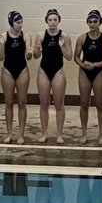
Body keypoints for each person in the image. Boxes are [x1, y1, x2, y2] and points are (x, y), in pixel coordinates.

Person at [74, 10, 102, 145]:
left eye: (95, 22)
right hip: (85, 72)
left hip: (99, 72)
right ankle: (84, 133)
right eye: (90, 22)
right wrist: (83, 65)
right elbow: (76, 57)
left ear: (100, 22)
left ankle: (101, 135)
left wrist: (95, 65)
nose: (92, 25)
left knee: (100, 104)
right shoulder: (82, 38)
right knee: (84, 103)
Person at [33, 9, 72, 144]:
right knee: (44, 104)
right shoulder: (41, 35)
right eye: (50, 20)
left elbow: (69, 57)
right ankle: (44, 133)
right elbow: (36, 56)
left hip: (58, 71)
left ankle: (59, 134)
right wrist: (37, 49)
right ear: (46, 21)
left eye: (55, 20)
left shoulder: (64, 36)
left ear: (59, 20)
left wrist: (62, 47)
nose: (53, 22)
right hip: (44, 70)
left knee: (59, 104)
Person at [0, 11, 34, 144]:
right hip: (7, 71)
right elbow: (1, 57)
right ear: (11, 23)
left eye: (21, 22)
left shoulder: (25, 35)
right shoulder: (4, 36)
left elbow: (28, 56)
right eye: (17, 23)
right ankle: (9, 133)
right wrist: (1, 45)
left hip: (22, 70)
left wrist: (30, 52)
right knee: (8, 103)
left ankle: (21, 134)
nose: (20, 25)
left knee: (22, 103)